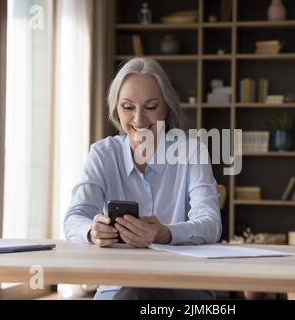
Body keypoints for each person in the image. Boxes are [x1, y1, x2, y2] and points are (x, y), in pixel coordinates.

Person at [64, 58, 222, 300]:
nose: (139, 119)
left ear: (166, 108)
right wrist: (91, 232)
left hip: (184, 286)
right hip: (116, 287)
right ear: (116, 108)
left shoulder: (192, 152)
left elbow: (211, 223)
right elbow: (75, 217)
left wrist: (165, 233)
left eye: (151, 106)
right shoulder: (103, 154)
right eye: (128, 107)